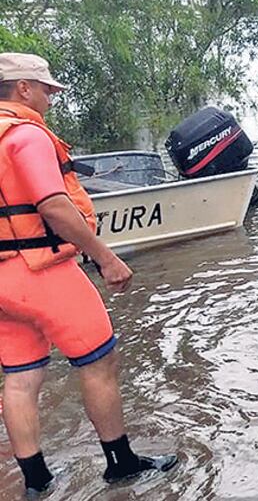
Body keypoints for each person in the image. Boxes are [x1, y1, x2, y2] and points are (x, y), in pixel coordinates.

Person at [0, 53, 178, 495]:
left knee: (21, 378)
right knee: (100, 361)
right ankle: (121, 464)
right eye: (46, 89)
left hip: (2, 279)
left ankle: (37, 482)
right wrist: (105, 256)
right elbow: (53, 204)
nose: (51, 97)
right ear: (23, 88)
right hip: (42, 273)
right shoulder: (26, 136)